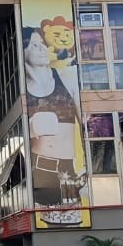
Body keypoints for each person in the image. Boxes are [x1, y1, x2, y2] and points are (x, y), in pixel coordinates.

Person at [21, 26, 84, 209]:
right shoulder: (21, 89)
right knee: (44, 220)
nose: (42, 48)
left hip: (68, 166)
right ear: (23, 52)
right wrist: (33, 127)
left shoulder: (67, 76)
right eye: (34, 45)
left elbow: (85, 124)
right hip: (39, 170)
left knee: (73, 218)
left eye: (41, 43)